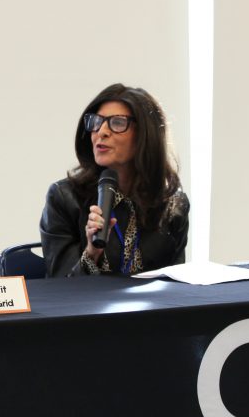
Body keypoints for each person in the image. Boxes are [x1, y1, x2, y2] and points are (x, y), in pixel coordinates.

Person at [40, 83, 189, 277]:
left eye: (117, 123)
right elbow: (61, 288)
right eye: (96, 121)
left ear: (145, 134)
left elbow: (177, 286)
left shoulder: (172, 204)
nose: (101, 131)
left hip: (152, 308)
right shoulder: (64, 198)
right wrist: (92, 253)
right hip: (89, 307)